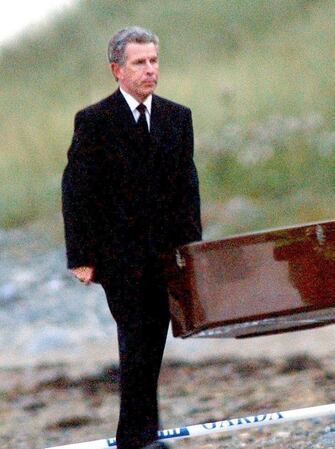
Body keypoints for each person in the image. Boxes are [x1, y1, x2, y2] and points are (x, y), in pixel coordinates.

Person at [62, 26, 201, 449]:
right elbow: (76, 191)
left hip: (164, 255)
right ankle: (138, 438)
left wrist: (193, 248)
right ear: (117, 70)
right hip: (118, 259)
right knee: (136, 340)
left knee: (152, 342)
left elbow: (187, 187)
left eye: (154, 61)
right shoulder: (95, 121)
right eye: (140, 63)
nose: (150, 70)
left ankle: (143, 435)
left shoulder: (178, 117)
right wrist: (81, 256)